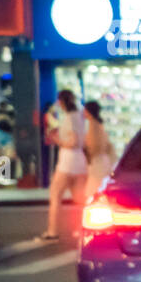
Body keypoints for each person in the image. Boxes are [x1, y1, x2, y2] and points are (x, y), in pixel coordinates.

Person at [41, 89, 88, 241]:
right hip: (80, 163)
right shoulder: (79, 117)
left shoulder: (69, 118)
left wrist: (58, 141)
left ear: (61, 102)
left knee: (55, 195)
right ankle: (85, 229)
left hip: (67, 163)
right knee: (80, 198)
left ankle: (52, 231)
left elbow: (74, 142)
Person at [82, 101, 115, 201]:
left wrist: (86, 151)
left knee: (94, 190)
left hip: (97, 162)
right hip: (102, 161)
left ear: (88, 112)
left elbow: (94, 147)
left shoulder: (93, 126)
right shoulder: (99, 125)